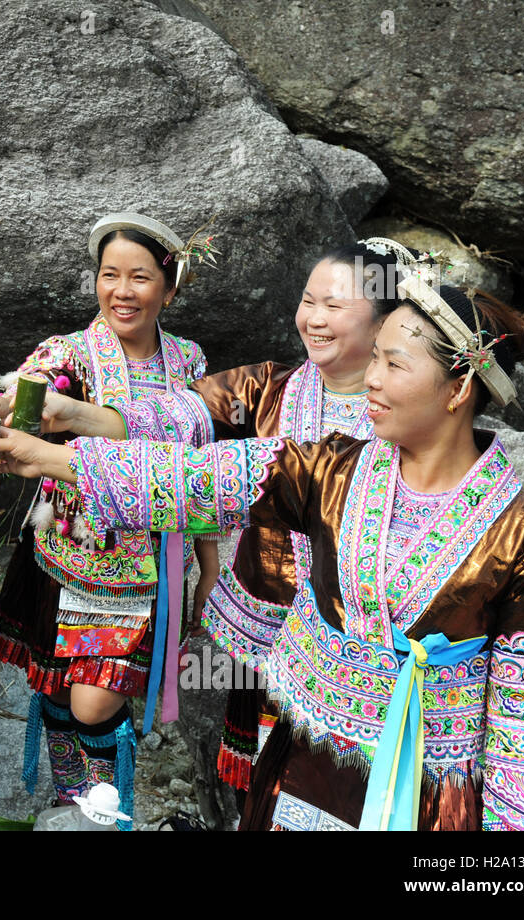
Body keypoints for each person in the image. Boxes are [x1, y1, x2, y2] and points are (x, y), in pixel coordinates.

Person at [0, 278, 524, 831]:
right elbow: (199, 477)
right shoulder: (334, 467)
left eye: (394, 364)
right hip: (304, 757)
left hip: (429, 792)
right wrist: (51, 458)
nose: (370, 378)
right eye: (375, 356)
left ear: (459, 388)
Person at [36, 238, 416, 807]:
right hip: (267, 626)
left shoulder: (412, 411)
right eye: (308, 301)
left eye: (334, 307)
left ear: (387, 320)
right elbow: (170, 417)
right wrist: (73, 413)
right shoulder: (265, 387)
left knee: (347, 792)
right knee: (265, 781)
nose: (313, 319)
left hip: (365, 646)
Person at [0, 211, 217, 827]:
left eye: (139, 277)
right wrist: (12, 417)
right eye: (108, 275)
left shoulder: (189, 361)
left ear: (169, 288)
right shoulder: (66, 355)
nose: (121, 290)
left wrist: (210, 565)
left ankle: (103, 807)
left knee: (92, 705)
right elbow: (25, 404)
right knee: (61, 691)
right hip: (65, 554)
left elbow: (202, 470)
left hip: (146, 568)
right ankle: (74, 804)